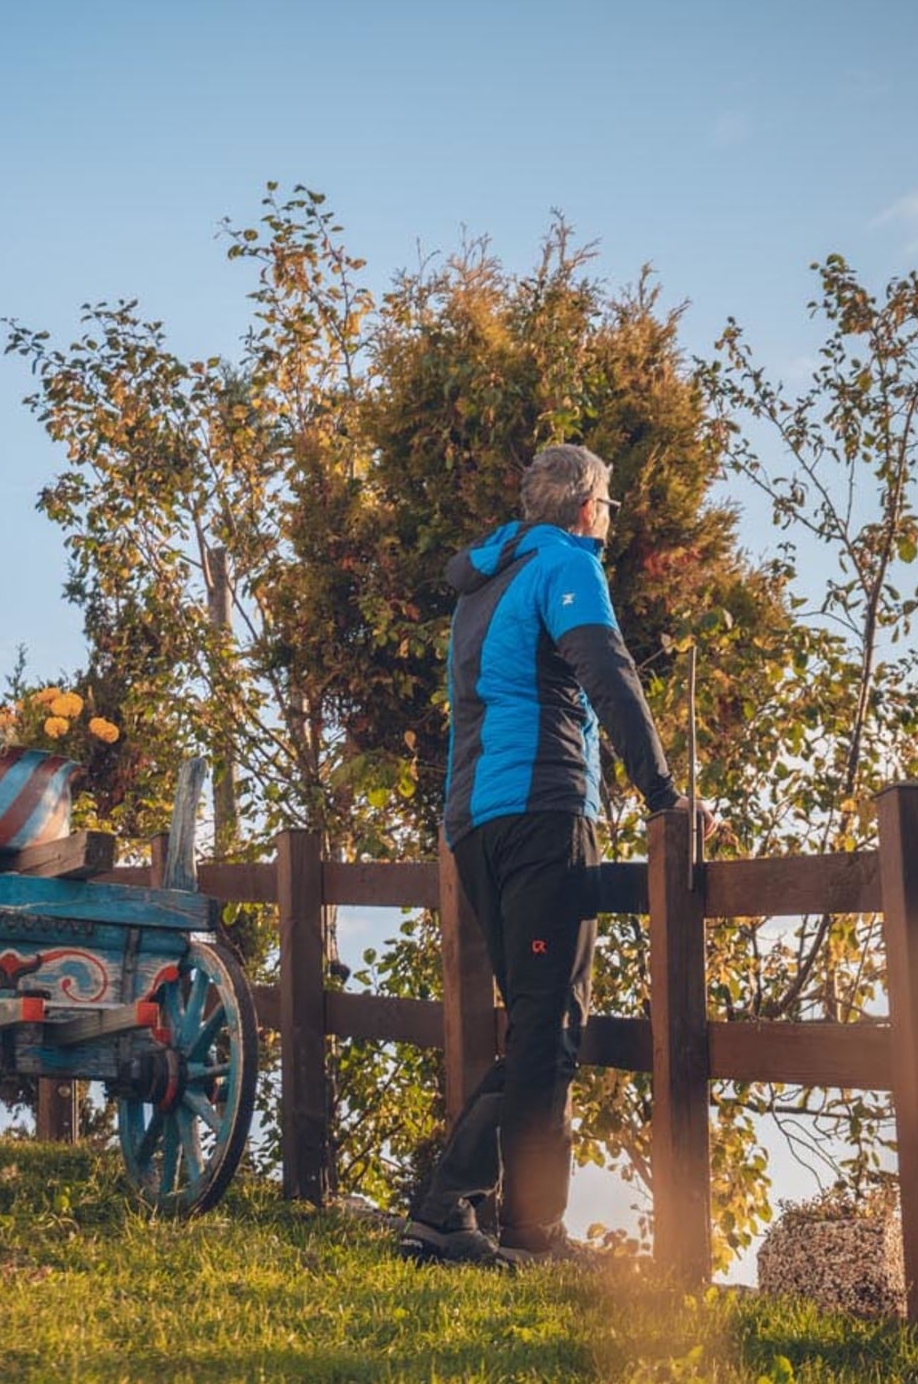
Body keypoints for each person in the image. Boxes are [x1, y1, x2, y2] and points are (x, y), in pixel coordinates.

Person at [398, 442, 703, 1268]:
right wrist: (663, 792)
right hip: (541, 811)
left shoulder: (486, 580)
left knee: (537, 1026)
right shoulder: (565, 564)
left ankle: (500, 1223)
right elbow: (605, 668)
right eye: (608, 503)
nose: (608, 520)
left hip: (475, 825)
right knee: (544, 1030)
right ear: (584, 506)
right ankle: (464, 1211)